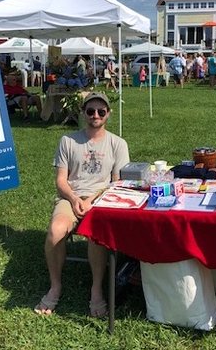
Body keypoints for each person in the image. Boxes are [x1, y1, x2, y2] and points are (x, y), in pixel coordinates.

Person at [35, 92, 129, 317]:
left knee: (96, 233)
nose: (95, 115)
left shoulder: (118, 144)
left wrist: (91, 200)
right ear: (83, 113)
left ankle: (96, 289)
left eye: (101, 111)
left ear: (108, 114)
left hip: (101, 198)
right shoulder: (68, 141)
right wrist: (76, 199)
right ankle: (55, 286)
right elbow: (60, 180)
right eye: (90, 111)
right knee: (56, 231)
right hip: (71, 197)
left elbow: (117, 184)